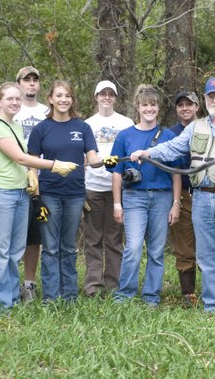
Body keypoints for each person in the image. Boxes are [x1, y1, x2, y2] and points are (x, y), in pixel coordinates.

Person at [131, 77, 215, 323]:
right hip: (201, 198)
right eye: (211, 96)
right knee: (206, 255)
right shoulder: (195, 127)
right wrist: (148, 153)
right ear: (206, 100)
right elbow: (173, 148)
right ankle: (213, 305)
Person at [0, 82, 77, 310]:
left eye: (17, 99)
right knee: (0, 250)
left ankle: (12, 297)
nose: (14, 103)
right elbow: (21, 158)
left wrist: (29, 176)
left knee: (15, 250)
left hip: (20, 193)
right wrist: (54, 165)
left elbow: (21, 163)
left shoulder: (16, 126)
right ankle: (1, 304)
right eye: (9, 99)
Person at [27, 80, 99, 303]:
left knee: (68, 246)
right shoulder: (41, 129)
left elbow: (93, 157)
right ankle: (51, 296)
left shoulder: (82, 127)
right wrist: (34, 185)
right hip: (48, 195)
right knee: (50, 247)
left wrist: (105, 161)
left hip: (75, 195)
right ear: (50, 99)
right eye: (59, 95)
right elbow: (31, 161)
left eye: (67, 96)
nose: (63, 100)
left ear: (72, 99)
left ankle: (69, 296)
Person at [109, 85, 181, 307]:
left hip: (162, 197)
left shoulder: (168, 136)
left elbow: (176, 172)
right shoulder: (125, 136)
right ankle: (125, 294)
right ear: (137, 108)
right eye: (144, 105)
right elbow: (117, 173)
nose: (149, 109)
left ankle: (151, 296)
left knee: (157, 250)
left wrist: (176, 203)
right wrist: (117, 203)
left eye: (153, 105)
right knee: (133, 247)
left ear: (158, 108)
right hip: (134, 198)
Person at [0, 66, 49, 302]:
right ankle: (7, 287)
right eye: (26, 80)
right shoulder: (7, 113)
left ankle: (29, 284)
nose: (31, 84)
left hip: (44, 179)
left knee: (35, 237)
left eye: (35, 80)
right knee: (13, 238)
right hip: (14, 181)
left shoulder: (47, 111)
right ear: (18, 84)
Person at [82, 81, 134, 298]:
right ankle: (93, 286)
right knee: (92, 239)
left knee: (114, 238)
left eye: (110, 94)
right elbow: (81, 156)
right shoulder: (87, 124)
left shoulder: (125, 122)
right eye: (102, 94)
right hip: (91, 187)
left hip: (116, 188)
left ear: (115, 97)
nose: (106, 97)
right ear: (96, 97)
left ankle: (113, 285)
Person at [168, 90, 199, 307]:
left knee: (209, 245)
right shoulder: (171, 134)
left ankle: (214, 291)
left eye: (190, 104)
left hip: (208, 191)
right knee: (184, 245)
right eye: (181, 105)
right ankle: (188, 293)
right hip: (184, 194)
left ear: (198, 107)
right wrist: (176, 201)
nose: (185, 108)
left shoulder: (208, 128)